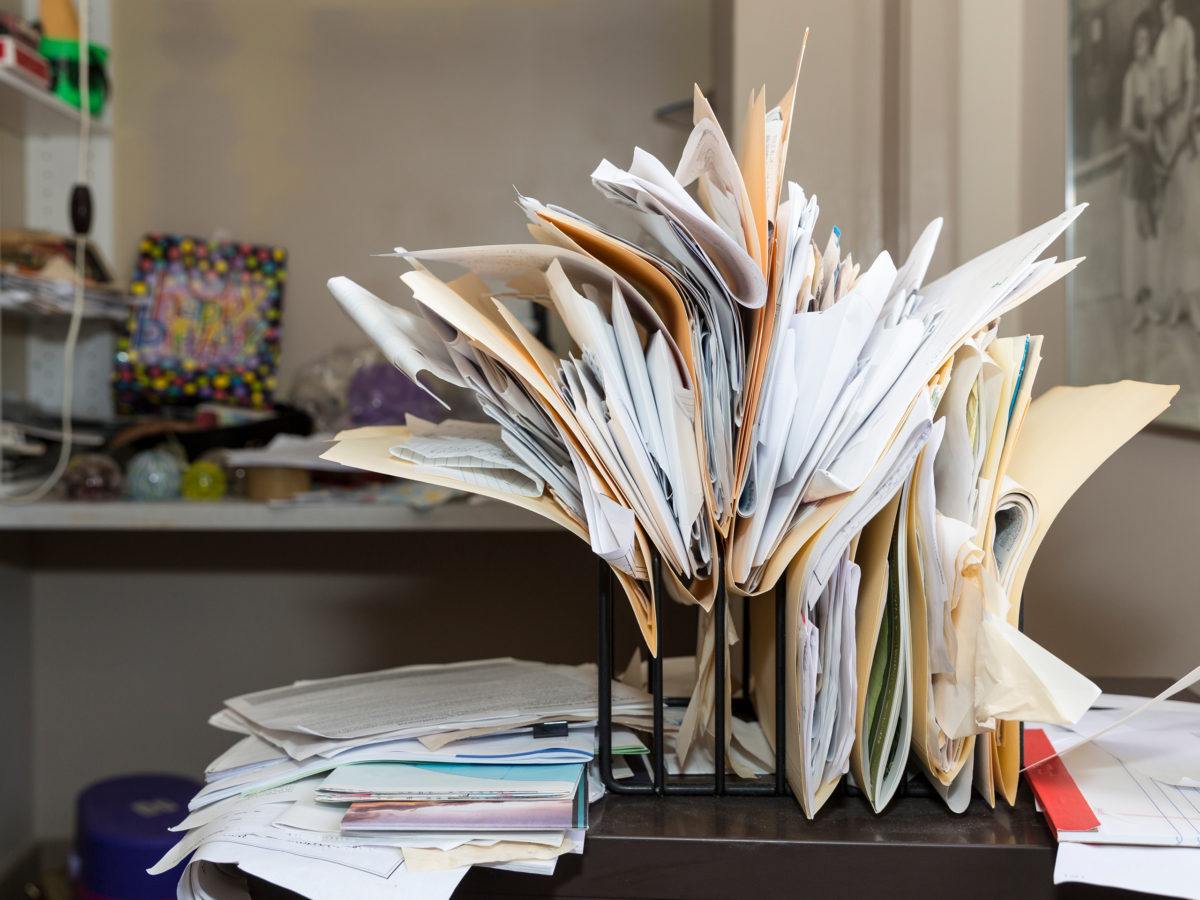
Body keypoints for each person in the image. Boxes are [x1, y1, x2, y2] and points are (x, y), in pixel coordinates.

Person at [1155, 0, 1200, 332]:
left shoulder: (1184, 30)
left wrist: (1181, 135)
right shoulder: (1160, 41)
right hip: (1167, 134)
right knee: (1172, 224)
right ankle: (1176, 301)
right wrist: (1162, 144)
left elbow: (1188, 88)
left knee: (1191, 223)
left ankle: (1194, 301)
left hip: (1185, 136)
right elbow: (1158, 99)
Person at [1121, 12, 1164, 331]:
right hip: (1137, 160)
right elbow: (1126, 127)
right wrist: (1144, 137)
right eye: (1137, 41)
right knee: (1137, 232)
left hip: (1153, 159)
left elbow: (1158, 112)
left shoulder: (1153, 75)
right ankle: (1137, 306)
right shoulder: (1131, 77)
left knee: (1151, 230)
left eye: (1145, 41)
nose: (1141, 45)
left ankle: (1150, 302)